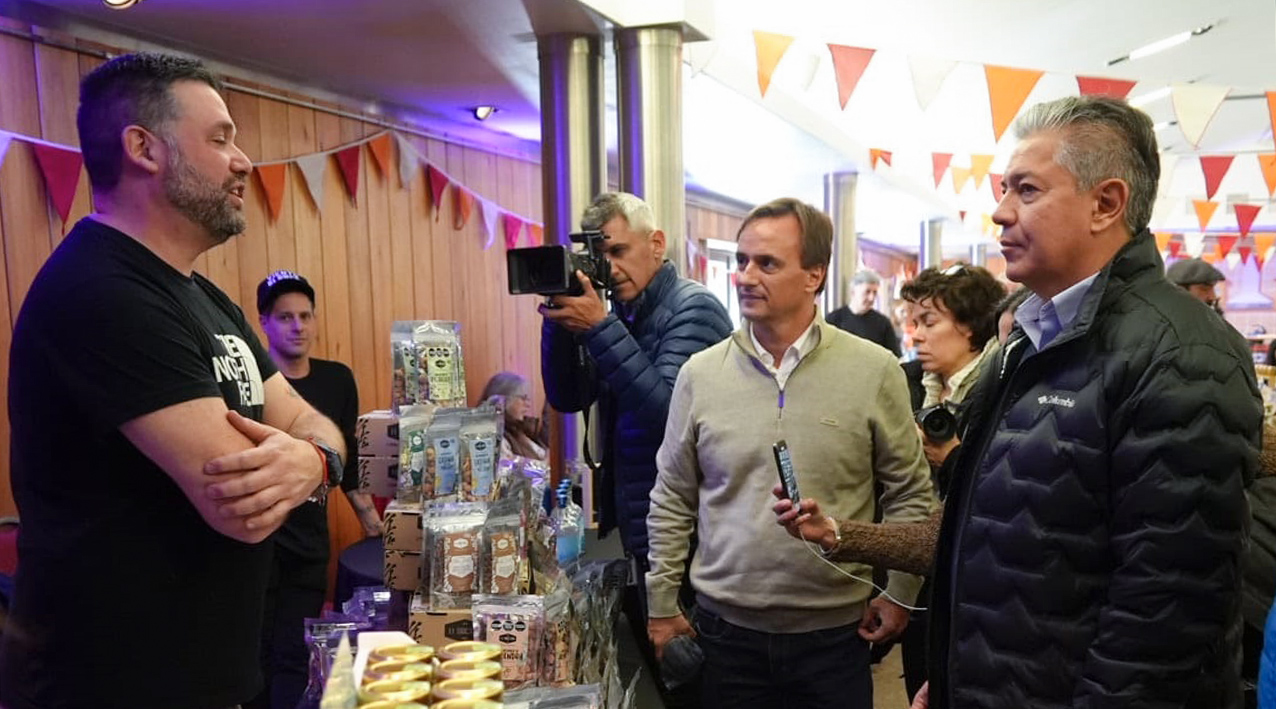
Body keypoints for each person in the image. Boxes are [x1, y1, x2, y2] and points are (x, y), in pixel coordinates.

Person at [0, 53, 347, 709]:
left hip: (203, 676)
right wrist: (309, 458)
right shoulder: (102, 292)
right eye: (220, 138)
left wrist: (314, 458)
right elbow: (241, 504)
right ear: (143, 148)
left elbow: (310, 419)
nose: (243, 159)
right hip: (111, 685)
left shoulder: (202, 296)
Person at [911, 96, 1261, 709]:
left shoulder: (1182, 352)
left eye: (1026, 190)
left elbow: (1164, 616)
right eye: (1003, 188)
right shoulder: (1031, 336)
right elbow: (1004, 544)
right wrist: (953, 677)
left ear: (1106, 204)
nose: (999, 212)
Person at [645, 197, 935, 708]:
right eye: (740, 261)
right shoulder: (700, 374)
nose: (744, 276)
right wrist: (661, 602)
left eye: (767, 263)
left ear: (813, 276)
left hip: (835, 640)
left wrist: (899, 593)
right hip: (724, 636)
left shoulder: (874, 369)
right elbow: (672, 494)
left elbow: (909, 492)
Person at [540, 191, 732, 701]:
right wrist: (561, 323)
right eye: (598, 257)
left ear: (656, 244)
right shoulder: (622, 314)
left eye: (619, 251)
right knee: (659, 679)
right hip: (638, 528)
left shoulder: (695, 309)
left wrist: (600, 328)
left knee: (693, 678)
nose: (610, 268)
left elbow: (670, 415)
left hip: (691, 539)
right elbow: (566, 396)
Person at [248, 270, 379, 709]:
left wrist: (368, 516)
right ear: (263, 321)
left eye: (305, 315)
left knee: (296, 649)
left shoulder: (337, 379)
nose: (298, 326)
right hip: (255, 542)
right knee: (255, 652)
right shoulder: (247, 386)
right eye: (285, 317)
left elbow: (348, 457)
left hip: (308, 541)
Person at [826, 269, 901, 356]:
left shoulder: (882, 323)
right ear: (853, 292)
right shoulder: (833, 320)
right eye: (867, 292)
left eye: (875, 293)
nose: (872, 298)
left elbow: (894, 357)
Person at [480, 371, 547, 461]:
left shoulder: (517, 430)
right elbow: (509, 469)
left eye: (528, 399)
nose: (528, 404)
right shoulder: (492, 434)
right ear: (502, 400)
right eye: (523, 398)